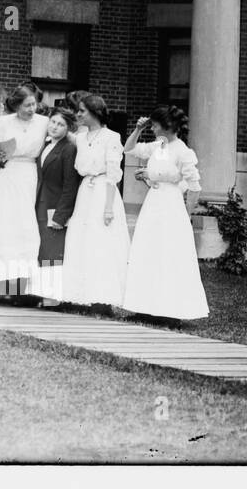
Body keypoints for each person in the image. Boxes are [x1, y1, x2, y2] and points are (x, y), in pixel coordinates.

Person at [121, 106, 208, 320]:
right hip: (153, 205)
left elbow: (195, 186)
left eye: (155, 125)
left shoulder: (183, 151)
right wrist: (138, 130)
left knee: (169, 255)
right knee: (149, 252)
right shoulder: (160, 146)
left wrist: (186, 215)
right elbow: (129, 150)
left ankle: (171, 312)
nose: (152, 128)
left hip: (172, 207)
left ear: (168, 126)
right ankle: (145, 307)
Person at [0, 83, 48, 302]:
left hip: (29, 176)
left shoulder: (44, 122)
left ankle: (22, 289)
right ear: (16, 104)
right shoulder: (3, 122)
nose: (31, 109)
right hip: (7, 175)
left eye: (34, 104)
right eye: (26, 105)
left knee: (24, 228)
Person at [61, 94, 131, 309]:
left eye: (82, 111)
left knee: (101, 242)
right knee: (81, 240)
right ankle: (78, 296)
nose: (78, 114)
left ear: (95, 112)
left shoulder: (111, 137)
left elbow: (112, 173)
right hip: (86, 192)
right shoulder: (81, 138)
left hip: (103, 192)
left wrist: (109, 207)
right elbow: (62, 128)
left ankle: (103, 299)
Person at [29, 105, 80, 306]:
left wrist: (61, 215)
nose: (55, 127)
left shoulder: (69, 149)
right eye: (53, 122)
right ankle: (41, 293)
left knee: (52, 251)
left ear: (68, 128)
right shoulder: (46, 144)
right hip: (40, 203)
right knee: (42, 250)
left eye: (61, 125)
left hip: (55, 206)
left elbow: (70, 184)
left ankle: (52, 298)